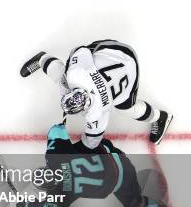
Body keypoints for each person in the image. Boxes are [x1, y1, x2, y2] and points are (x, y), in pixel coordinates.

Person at [15, 123, 177, 207]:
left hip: (122, 180)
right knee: (79, 150)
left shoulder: (62, 194)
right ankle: (105, 146)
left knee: (133, 204)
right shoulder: (55, 157)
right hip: (115, 156)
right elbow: (56, 130)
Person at [20, 40, 172, 149]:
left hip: (127, 63)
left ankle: (161, 117)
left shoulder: (97, 114)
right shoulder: (78, 77)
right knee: (64, 76)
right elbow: (80, 50)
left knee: (126, 108)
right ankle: (42, 58)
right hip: (116, 52)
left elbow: (90, 144)